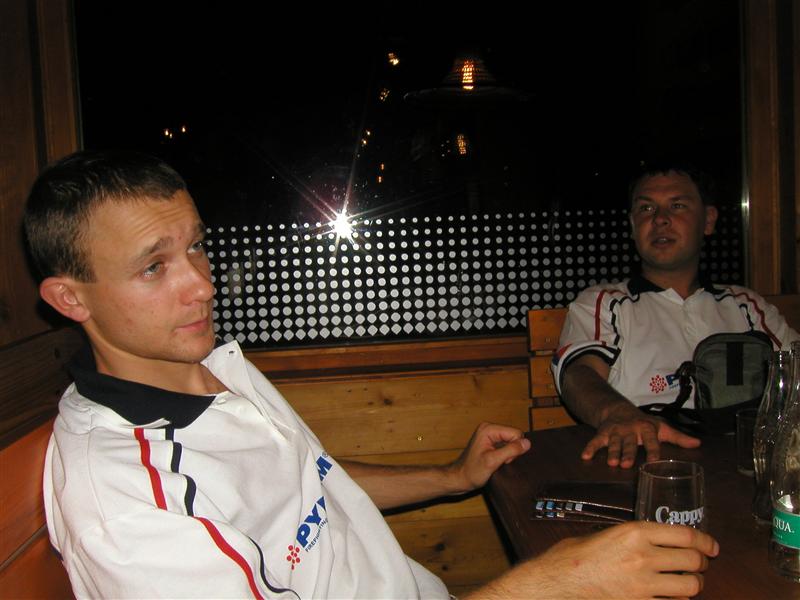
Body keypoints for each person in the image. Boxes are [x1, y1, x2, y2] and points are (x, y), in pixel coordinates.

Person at [26, 150, 719, 599]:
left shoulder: (210, 365)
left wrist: (451, 476)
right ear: (70, 298)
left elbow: (308, 480)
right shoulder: (125, 501)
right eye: (155, 266)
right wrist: (551, 585)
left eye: (197, 247)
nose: (202, 285)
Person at [553, 163, 799, 469]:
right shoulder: (604, 303)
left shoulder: (747, 306)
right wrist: (617, 414)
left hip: (742, 465)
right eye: (646, 208)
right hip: (647, 464)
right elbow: (578, 374)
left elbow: (795, 368)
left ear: (708, 220)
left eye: (677, 205)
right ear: (632, 226)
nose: (660, 219)